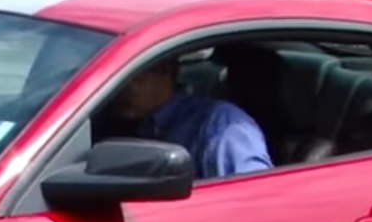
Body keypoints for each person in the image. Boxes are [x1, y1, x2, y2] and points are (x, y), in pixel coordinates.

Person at [107, 59, 273, 180]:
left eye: (132, 78)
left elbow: (253, 198)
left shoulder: (221, 125)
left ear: (164, 71)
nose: (121, 89)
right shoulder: (137, 122)